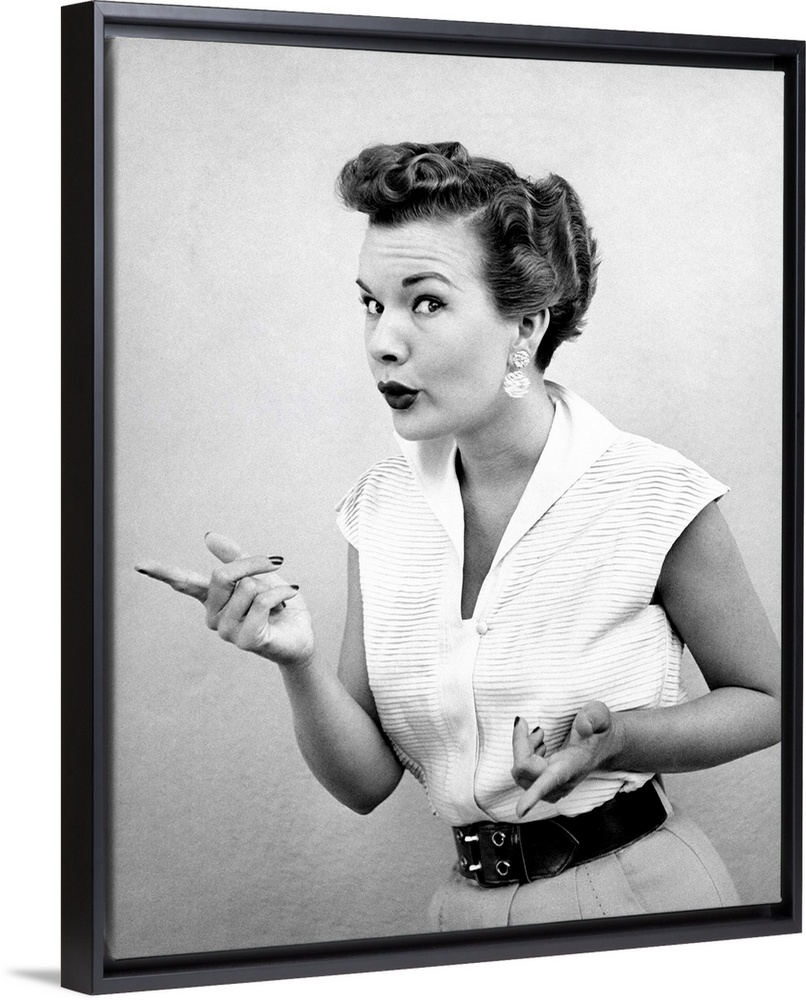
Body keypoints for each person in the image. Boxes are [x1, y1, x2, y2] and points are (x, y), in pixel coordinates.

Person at [137, 141, 781, 929]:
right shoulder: (379, 508)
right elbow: (363, 784)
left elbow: (772, 701)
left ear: (525, 325)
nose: (383, 341)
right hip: (462, 917)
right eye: (371, 304)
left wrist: (622, 739)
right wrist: (295, 661)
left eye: (426, 303)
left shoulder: (652, 492)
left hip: (638, 901)